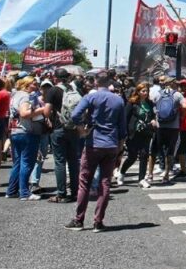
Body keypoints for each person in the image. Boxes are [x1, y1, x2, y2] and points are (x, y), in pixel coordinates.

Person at [66, 72, 128, 231]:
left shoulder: (90, 97)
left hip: (94, 142)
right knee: (105, 182)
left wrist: (81, 130)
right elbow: (122, 128)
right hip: (111, 143)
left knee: (84, 181)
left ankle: (79, 220)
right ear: (110, 82)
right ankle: (98, 221)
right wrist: (120, 147)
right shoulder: (118, 100)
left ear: (95, 82)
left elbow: (75, 115)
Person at [6, 77, 46, 201]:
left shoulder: (15, 95)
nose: (37, 85)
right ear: (27, 85)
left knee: (18, 163)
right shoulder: (25, 96)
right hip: (25, 131)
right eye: (34, 83)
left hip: (15, 131)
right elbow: (24, 113)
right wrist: (41, 110)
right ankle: (24, 192)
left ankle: (12, 190)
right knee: (27, 163)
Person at [47, 69, 81, 203]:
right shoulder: (74, 89)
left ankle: (61, 194)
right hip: (73, 128)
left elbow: (46, 111)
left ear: (56, 78)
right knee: (73, 161)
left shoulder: (53, 90)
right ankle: (75, 192)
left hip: (58, 128)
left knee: (60, 162)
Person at [120, 83, 155, 186]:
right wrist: (124, 133)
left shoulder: (150, 103)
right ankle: (122, 172)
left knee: (144, 155)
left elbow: (153, 115)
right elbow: (125, 118)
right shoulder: (132, 103)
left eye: (146, 91)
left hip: (146, 132)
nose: (145, 93)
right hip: (134, 133)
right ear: (138, 92)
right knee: (132, 156)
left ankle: (142, 179)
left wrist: (153, 120)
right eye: (143, 91)